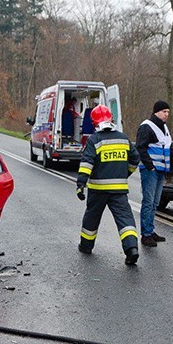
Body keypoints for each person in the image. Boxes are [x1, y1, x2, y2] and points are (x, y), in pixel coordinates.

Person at [76, 105, 141, 265]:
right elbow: (135, 159)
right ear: (111, 119)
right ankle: (132, 249)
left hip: (98, 190)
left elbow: (87, 163)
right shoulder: (123, 138)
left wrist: (80, 184)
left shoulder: (94, 140)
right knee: (125, 220)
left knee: (91, 218)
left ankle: (86, 246)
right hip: (119, 190)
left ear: (94, 123)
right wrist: (125, 173)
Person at [136, 100, 173, 247]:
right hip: (151, 171)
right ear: (156, 112)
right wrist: (150, 166)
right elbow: (140, 148)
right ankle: (145, 235)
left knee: (155, 203)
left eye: (168, 112)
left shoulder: (164, 128)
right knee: (148, 202)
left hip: (161, 170)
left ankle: (150, 231)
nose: (167, 114)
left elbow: (167, 147)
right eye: (164, 112)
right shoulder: (147, 126)